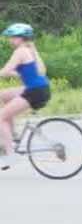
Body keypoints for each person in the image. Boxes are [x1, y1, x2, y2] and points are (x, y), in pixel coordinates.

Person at [0, 23, 51, 171]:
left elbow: (6, 70)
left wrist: (5, 72)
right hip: (40, 88)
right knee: (3, 95)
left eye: (12, 37)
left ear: (20, 38)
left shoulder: (20, 51)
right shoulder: (29, 50)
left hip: (34, 91)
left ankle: (10, 155)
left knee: (1, 117)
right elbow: (40, 71)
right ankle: (12, 134)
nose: (10, 40)